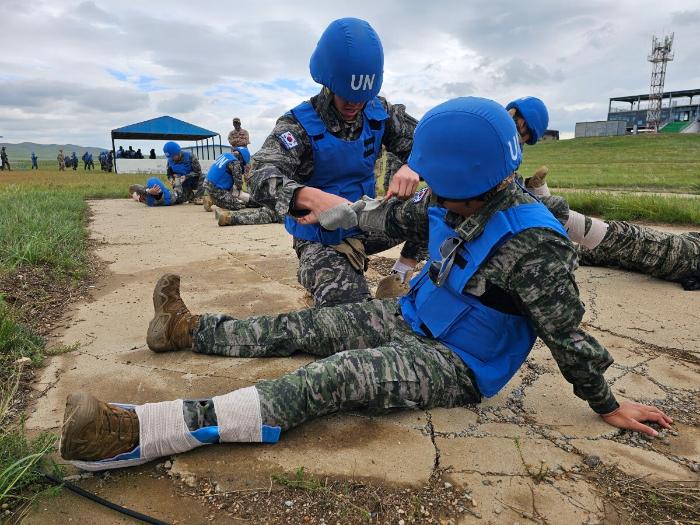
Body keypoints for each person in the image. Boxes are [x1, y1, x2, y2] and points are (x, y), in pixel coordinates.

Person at [59, 97, 672, 471]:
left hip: (459, 361)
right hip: (415, 315)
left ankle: (138, 433)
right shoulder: (456, 196)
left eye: (436, 178)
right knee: (306, 326)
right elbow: (394, 214)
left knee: (333, 375)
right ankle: (186, 329)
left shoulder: (533, 241)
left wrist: (605, 401)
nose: (427, 187)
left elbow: (566, 333)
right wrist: (340, 214)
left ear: (473, 177)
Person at [371, 95, 700, 297]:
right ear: (510, 113)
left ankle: (686, 254)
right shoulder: (474, 135)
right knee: (599, 244)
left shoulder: (503, 154)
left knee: (608, 239)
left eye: (526, 135)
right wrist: (404, 264)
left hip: (534, 224)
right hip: (513, 232)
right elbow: (429, 207)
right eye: (520, 126)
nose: (520, 135)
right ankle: (684, 253)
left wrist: (540, 192)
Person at [247, 18, 420, 307]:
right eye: (346, 97)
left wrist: (413, 165)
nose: (354, 105)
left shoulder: (379, 110)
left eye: (361, 98)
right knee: (356, 315)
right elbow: (259, 173)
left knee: (441, 202)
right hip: (321, 237)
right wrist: (310, 198)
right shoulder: (298, 124)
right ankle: (326, 275)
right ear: (327, 81)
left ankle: (402, 274)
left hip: (366, 220)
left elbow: (433, 143)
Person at [203, 147, 283, 225]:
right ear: (242, 159)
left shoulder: (225, 155)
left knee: (236, 196)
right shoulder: (235, 162)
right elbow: (238, 182)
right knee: (236, 205)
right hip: (217, 189)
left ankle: (213, 197)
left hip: (209, 184)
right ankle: (213, 199)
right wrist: (239, 193)